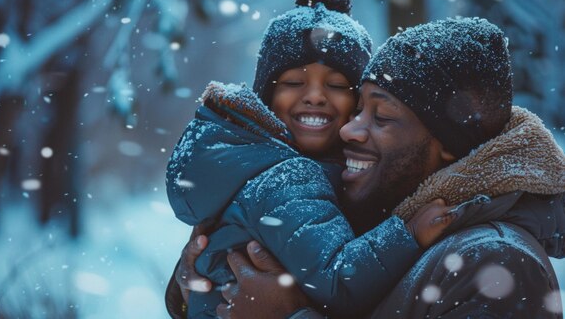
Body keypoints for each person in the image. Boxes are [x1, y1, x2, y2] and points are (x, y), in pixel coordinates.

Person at [171, 17, 565, 318]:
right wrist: (210, 272)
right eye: (359, 109)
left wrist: (287, 312)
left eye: (382, 117)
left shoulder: (495, 263)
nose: (348, 129)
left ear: (447, 145)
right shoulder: (387, 220)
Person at [165, 0, 454, 318]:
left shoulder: (273, 168)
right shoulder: (288, 178)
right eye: (292, 82)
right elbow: (340, 281)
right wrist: (407, 234)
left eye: (335, 85)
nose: (315, 96)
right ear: (266, 97)